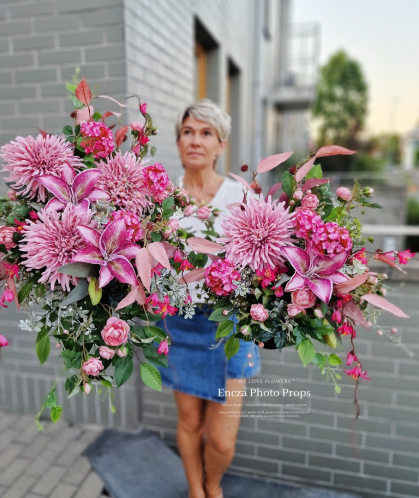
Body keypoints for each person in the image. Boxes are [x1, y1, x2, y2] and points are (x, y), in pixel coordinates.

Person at [157, 100, 261, 498]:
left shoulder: (240, 196)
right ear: (179, 141)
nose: (195, 140)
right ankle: (195, 491)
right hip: (179, 322)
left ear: (221, 145)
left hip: (230, 324)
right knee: (188, 422)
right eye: (187, 132)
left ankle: (213, 485)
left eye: (206, 133)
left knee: (221, 441)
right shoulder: (161, 199)